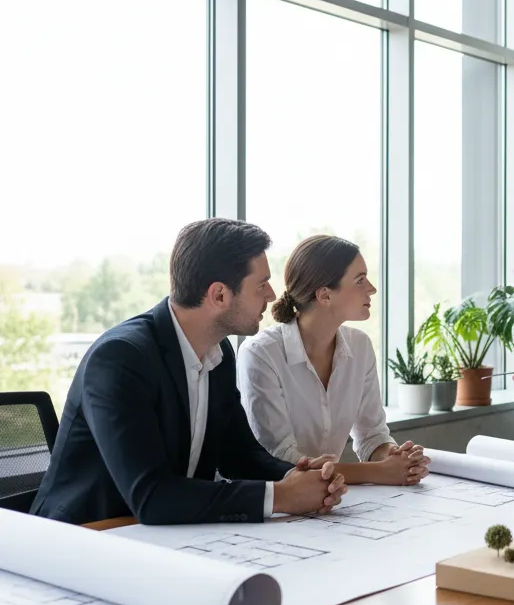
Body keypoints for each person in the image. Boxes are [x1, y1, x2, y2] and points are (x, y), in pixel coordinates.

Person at [31, 219, 346, 526]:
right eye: (261, 285)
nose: (272, 295)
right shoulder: (120, 359)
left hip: (166, 534)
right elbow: (151, 496)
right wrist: (280, 496)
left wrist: (295, 477)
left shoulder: (218, 352)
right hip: (85, 536)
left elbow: (239, 454)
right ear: (219, 295)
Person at [237, 235, 430, 486]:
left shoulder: (360, 346)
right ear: (325, 295)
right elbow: (282, 460)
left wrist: (397, 458)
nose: (372, 288)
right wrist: (381, 471)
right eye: (360, 280)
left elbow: (372, 437)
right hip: (274, 501)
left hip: (329, 498)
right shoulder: (261, 353)